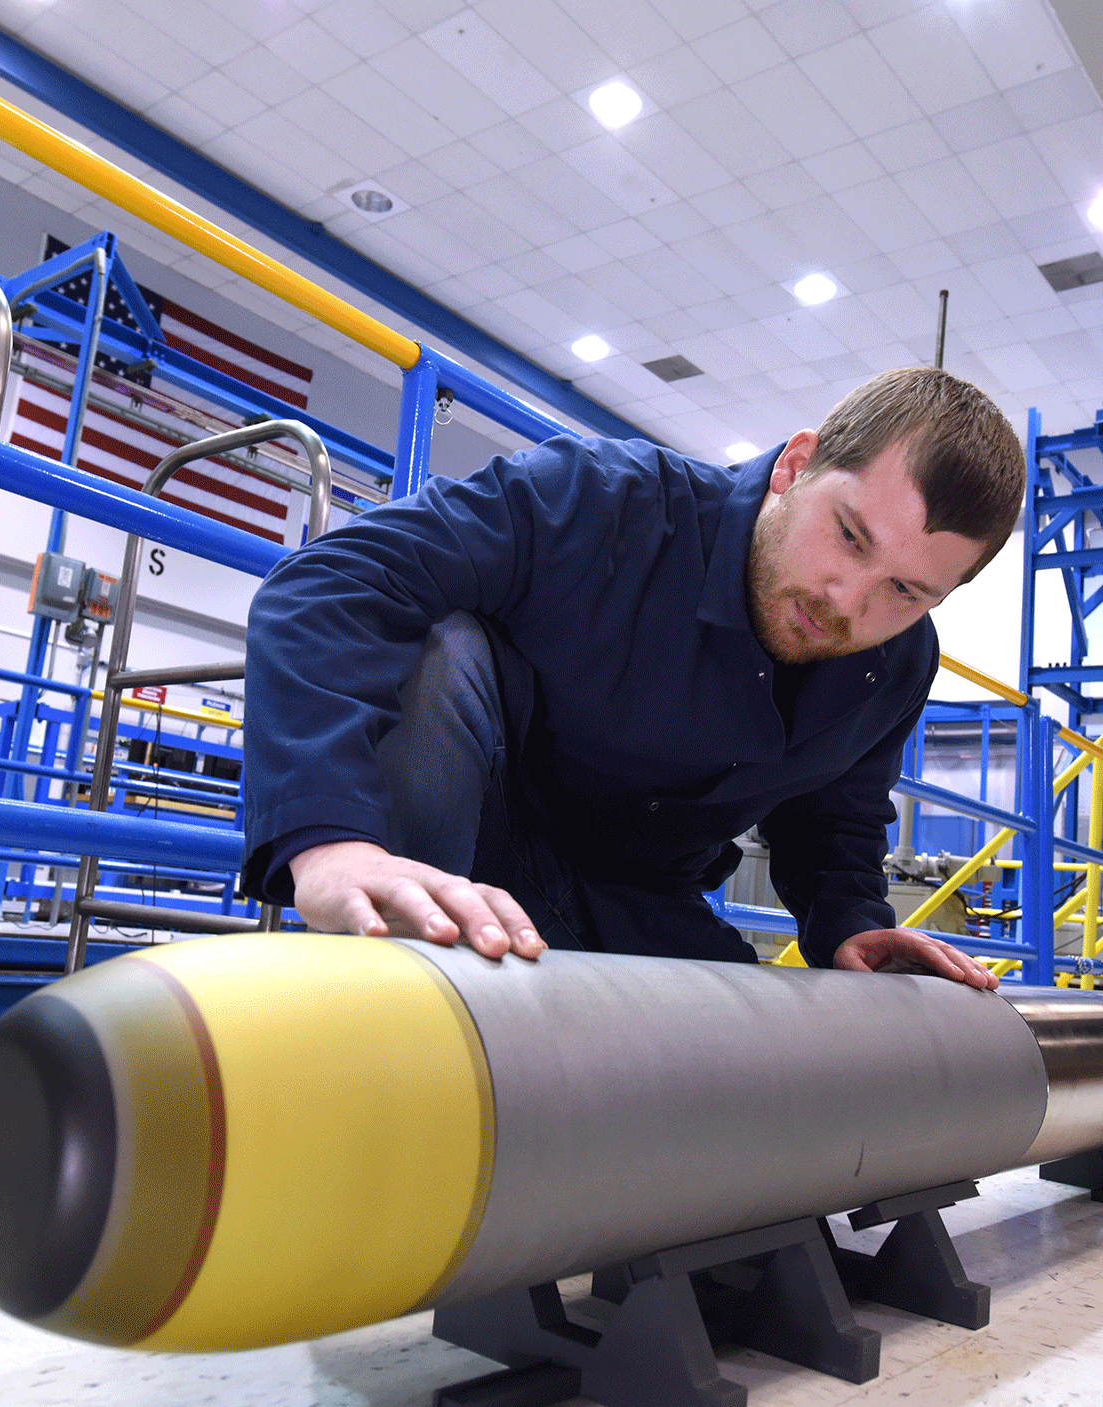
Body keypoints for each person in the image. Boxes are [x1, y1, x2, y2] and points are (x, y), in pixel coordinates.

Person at [240, 366, 1025, 984]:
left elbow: (835, 821)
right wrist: (332, 845)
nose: (848, 602)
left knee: (768, 1112)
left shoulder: (897, 663)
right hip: (462, 866)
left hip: (642, 910)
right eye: (850, 535)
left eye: (905, 590)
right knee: (439, 644)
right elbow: (331, 584)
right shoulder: (602, 501)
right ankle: (397, 992)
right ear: (795, 465)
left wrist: (851, 923)